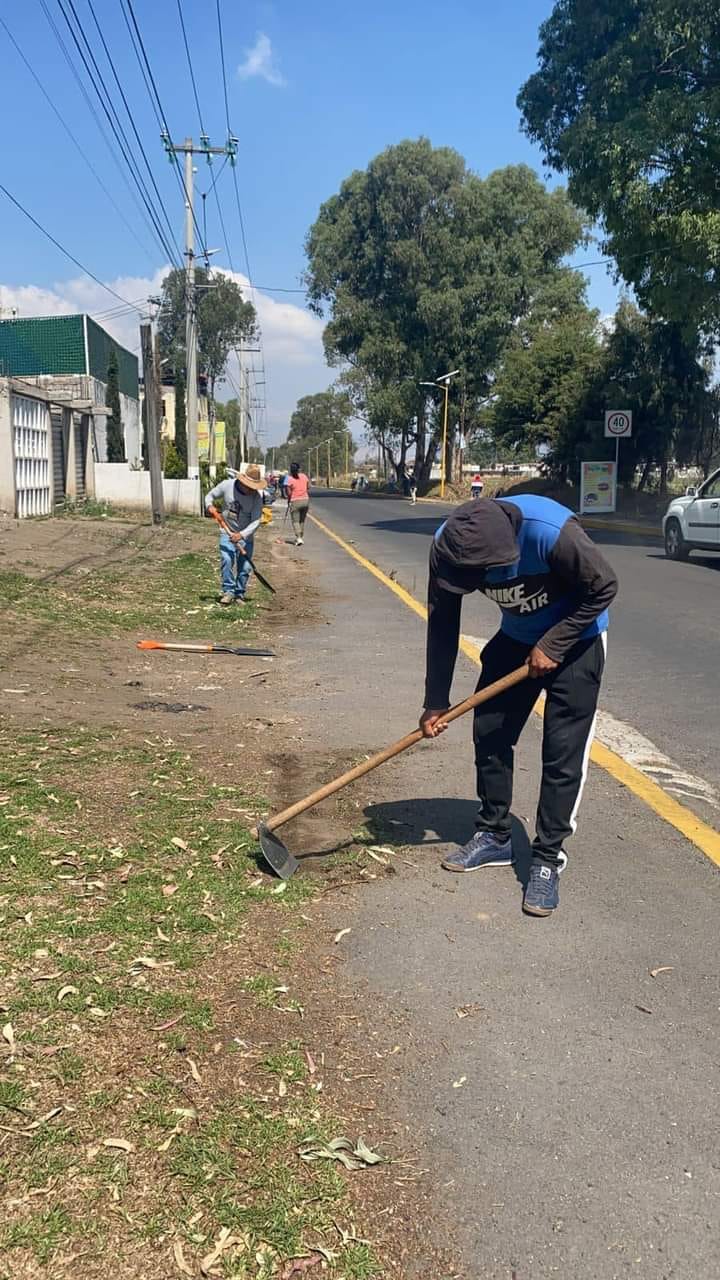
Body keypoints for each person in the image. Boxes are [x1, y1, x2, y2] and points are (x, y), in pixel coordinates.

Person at [420, 494, 618, 917]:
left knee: (562, 752)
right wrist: (436, 700)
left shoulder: (551, 532)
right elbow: (442, 624)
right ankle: (495, 835)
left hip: (577, 640)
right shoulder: (448, 544)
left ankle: (547, 858)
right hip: (517, 637)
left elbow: (604, 586)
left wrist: (555, 643)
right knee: (489, 730)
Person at [205, 464, 264, 604]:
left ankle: (239, 594)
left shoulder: (256, 498)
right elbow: (209, 496)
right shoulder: (227, 486)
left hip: (246, 536)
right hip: (227, 531)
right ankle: (228, 591)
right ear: (243, 481)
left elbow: (256, 521)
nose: (251, 490)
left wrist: (242, 535)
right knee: (227, 559)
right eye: (248, 486)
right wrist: (210, 506)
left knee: (245, 567)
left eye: (253, 487)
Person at [285, 461, 310, 546]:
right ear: (299, 469)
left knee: (295, 521)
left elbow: (288, 493)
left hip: (295, 501)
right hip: (305, 500)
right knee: (302, 520)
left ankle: (299, 538)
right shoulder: (304, 476)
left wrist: (289, 500)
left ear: (290, 470)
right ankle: (300, 537)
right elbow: (308, 487)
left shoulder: (289, 479)